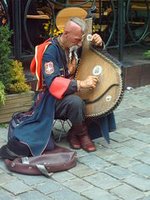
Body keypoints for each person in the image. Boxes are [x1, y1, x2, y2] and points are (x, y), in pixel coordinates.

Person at [0, 17, 116, 160]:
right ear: (65, 34)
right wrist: (81, 84)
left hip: (71, 91)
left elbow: (92, 55)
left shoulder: (75, 45)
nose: (80, 44)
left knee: (100, 94)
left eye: (81, 40)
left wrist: (99, 44)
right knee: (75, 102)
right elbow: (52, 82)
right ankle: (82, 133)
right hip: (51, 99)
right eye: (76, 40)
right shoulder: (51, 52)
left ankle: (74, 132)